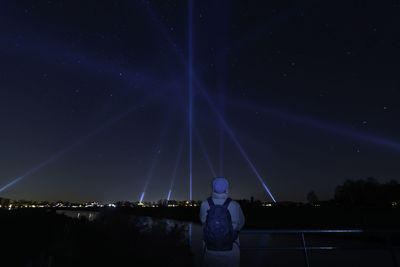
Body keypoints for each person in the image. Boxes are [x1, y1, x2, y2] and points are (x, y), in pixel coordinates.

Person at [200, 177, 245, 267]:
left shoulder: (205, 204)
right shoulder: (235, 205)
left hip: (210, 249)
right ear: (227, 189)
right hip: (231, 249)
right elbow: (241, 223)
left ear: (213, 188)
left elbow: (203, 221)